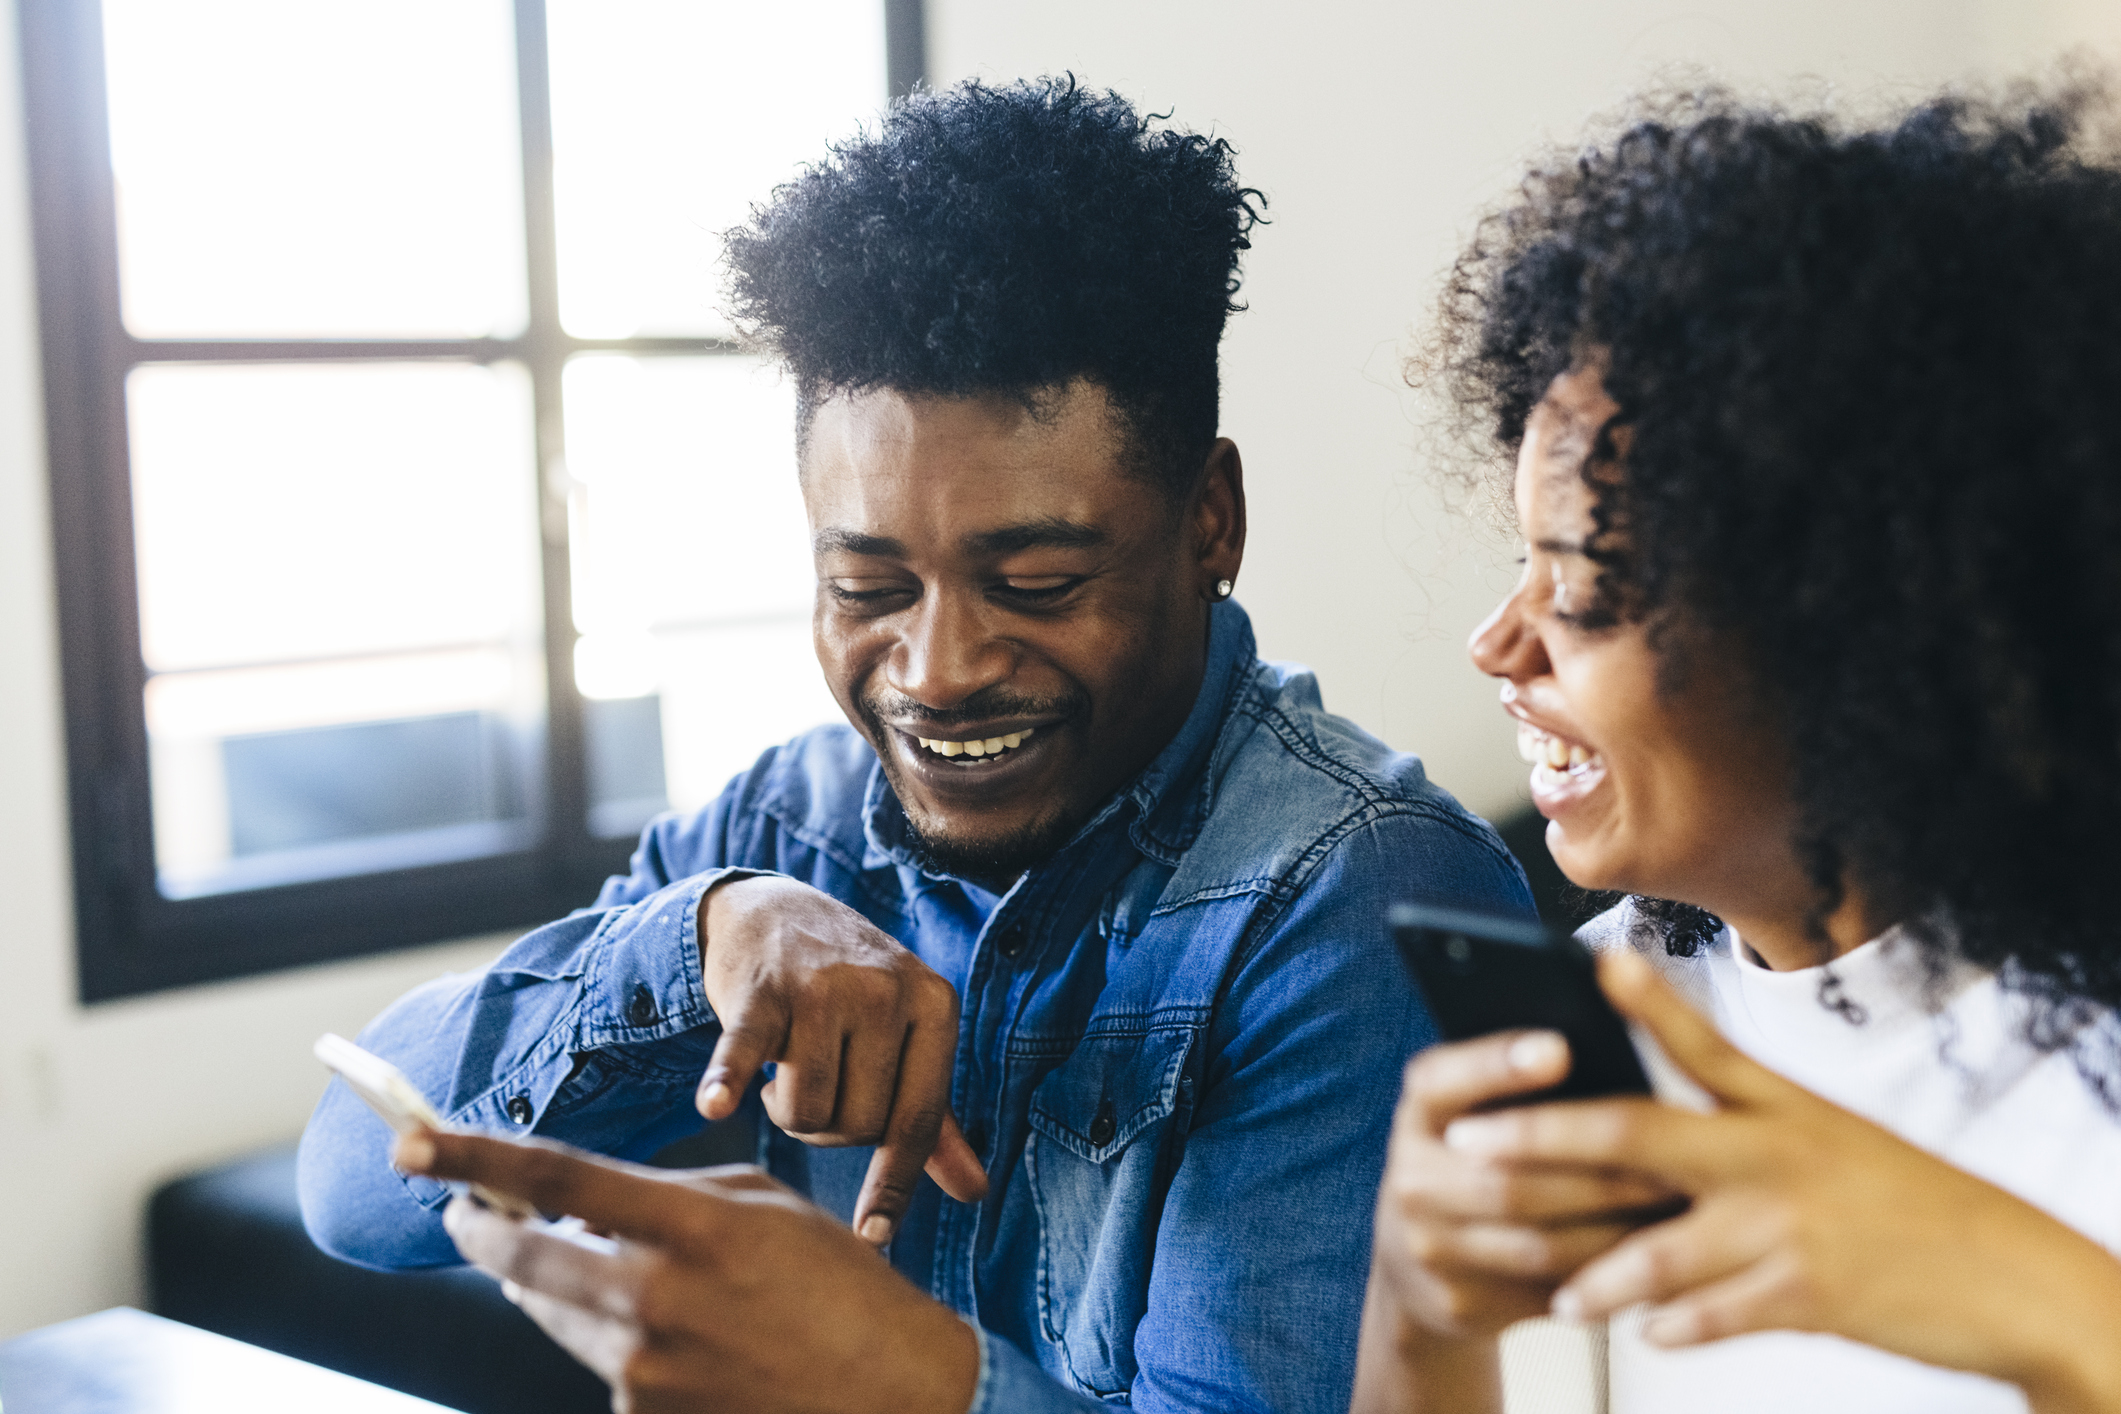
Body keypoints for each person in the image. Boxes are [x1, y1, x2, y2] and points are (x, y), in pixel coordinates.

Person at [298, 77, 1532, 1414]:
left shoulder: (1358, 896)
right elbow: (356, 1189)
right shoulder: (779, 834)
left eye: (1039, 580)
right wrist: (691, 933)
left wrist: (903, 1378)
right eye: (869, 588)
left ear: (1208, 524)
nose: (936, 672)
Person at [1353, 82, 2121, 1413]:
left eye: (1581, 585)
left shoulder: (2080, 1086)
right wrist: (1418, 1322)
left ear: (1847, 628)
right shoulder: (1606, 1014)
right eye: (1519, 564)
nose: (1498, 643)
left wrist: (2041, 1299)